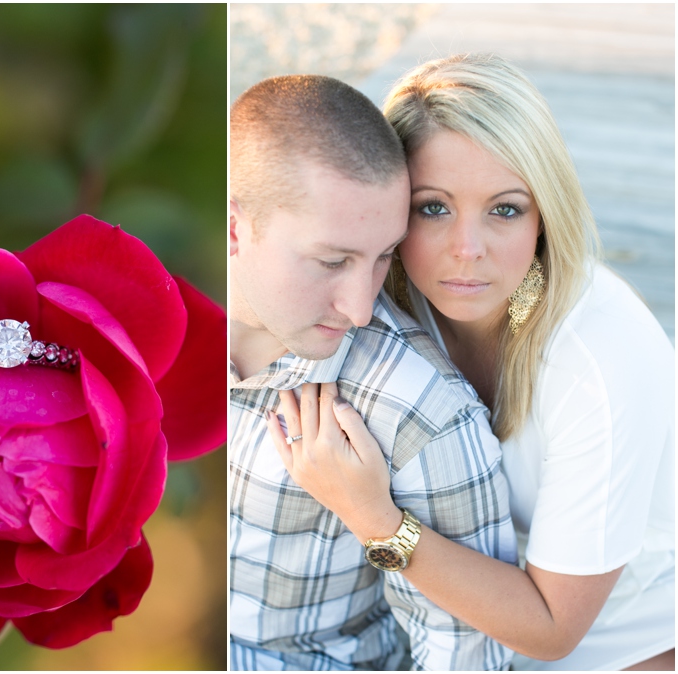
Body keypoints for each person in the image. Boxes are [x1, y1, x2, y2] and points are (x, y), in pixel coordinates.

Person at [272, 54, 675, 671]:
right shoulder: (387, 295)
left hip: (622, 640)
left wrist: (374, 518)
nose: (467, 250)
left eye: (505, 209)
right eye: (433, 207)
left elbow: (553, 629)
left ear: (544, 217)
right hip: (455, 622)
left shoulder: (598, 364)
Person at [229, 73, 519, 670]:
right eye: (332, 261)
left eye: (383, 255)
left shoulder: (418, 409)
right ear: (234, 228)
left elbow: (464, 649)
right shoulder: (152, 318)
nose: (360, 307)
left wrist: (378, 520)